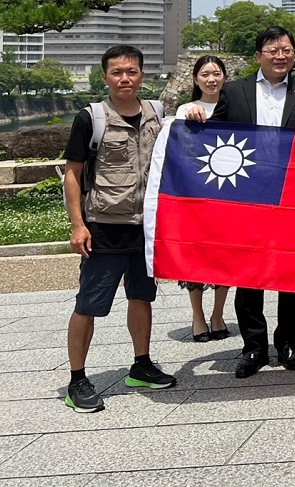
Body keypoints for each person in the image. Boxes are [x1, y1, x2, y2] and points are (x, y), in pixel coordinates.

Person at [183, 26, 295, 378]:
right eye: (273, 50)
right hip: (246, 196)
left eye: (287, 50)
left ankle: (289, 341)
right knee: (248, 274)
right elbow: (213, 138)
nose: (281, 56)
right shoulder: (235, 90)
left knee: (291, 272)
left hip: (291, 195)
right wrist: (196, 117)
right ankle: (254, 347)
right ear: (258, 55)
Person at [60, 45, 176, 413]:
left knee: (142, 297)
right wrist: (77, 225)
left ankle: (141, 364)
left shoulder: (158, 114)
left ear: (142, 74)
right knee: (89, 304)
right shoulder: (90, 118)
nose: (124, 78)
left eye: (131, 71)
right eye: (116, 72)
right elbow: (73, 175)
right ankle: (77, 378)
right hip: (104, 225)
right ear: (105, 76)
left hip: (146, 227)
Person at [173, 55, 232, 343]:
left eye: (217, 73)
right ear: (195, 78)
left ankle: (218, 314)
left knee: (227, 254)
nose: (212, 79)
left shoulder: (234, 106)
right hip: (195, 192)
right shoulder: (186, 109)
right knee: (195, 255)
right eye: (205, 74)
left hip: (230, 192)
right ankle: (197, 315)